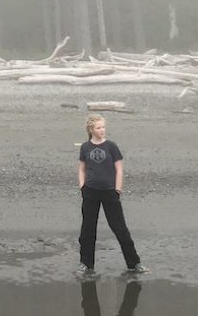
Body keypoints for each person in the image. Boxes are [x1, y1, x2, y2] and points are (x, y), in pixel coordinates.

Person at [77, 115, 147, 276]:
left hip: (110, 192)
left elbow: (119, 169)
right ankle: (86, 264)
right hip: (90, 192)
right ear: (91, 130)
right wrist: (82, 187)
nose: (102, 130)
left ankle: (134, 263)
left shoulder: (111, 146)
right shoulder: (85, 147)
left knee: (120, 228)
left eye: (103, 127)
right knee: (87, 230)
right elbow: (81, 169)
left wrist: (117, 189)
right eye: (99, 127)